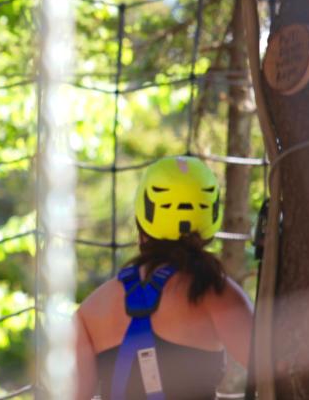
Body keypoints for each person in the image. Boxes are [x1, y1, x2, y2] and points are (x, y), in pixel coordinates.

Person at [74, 156, 253, 400]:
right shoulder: (212, 292)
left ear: (143, 215)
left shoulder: (91, 310)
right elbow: (279, 371)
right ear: (210, 214)